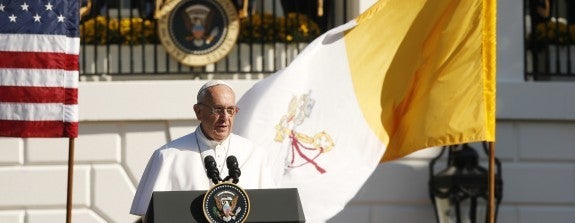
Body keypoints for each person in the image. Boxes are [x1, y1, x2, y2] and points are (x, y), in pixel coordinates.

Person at [129, 80, 279, 218]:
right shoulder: (168, 156)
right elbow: (150, 215)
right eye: (218, 109)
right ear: (198, 111)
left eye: (230, 110)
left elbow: (271, 210)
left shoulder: (254, 154)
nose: (225, 117)